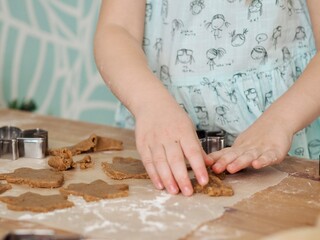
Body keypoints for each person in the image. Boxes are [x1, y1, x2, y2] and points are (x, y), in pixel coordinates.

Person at [94, 0, 320, 196]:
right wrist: (150, 104)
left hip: (283, 130)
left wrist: (281, 121)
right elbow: (117, 28)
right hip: (160, 134)